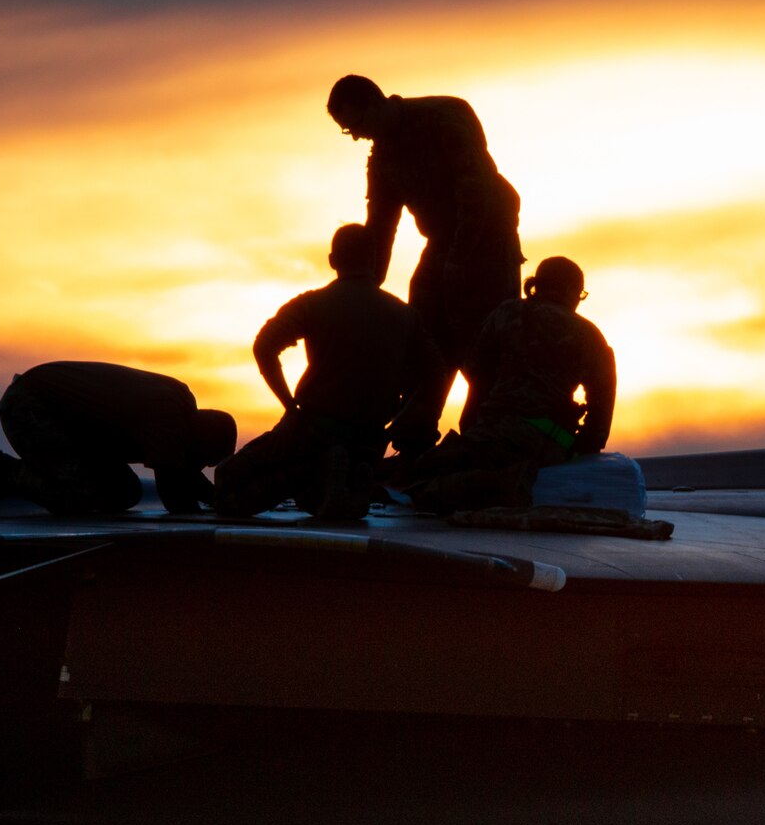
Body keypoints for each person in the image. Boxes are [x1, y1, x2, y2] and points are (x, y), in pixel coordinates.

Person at [213, 223, 449, 519]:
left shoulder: (314, 304)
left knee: (226, 482)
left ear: (333, 260)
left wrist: (290, 408)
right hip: (369, 440)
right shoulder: (405, 315)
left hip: (311, 431)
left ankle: (320, 476)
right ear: (374, 260)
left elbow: (264, 346)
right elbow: (436, 373)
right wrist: (397, 424)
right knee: (315, 486)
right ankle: (340, 481)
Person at [325, 74, 524, 385]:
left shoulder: (445, 116)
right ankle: (418, 419)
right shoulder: (382, 160)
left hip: (490, 238)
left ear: (375, 102)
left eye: (355, 125)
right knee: (421, 333)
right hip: (442, 242)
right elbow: (380, 228)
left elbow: (476, 193)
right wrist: (364, 289)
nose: (355, 137)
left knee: (485, 346)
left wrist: (457, 263)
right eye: (347, 131)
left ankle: (487, 421)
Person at [405, 255, 616, 514]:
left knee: (422, 473)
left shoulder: (507, 313)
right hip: (546, 443)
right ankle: (503, 484)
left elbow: (475, 368)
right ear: (572, 291)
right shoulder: (590, 336)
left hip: (493, 433)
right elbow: (600, 414)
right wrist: (579, 452)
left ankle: (496, 485)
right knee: (438, 480)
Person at [0, 362, 236, 518]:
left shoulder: (178, 407)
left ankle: (0, 480)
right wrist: (217, 509)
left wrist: (217, 497)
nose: (199, 466)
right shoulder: (167, 414)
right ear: (201, 440)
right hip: (31, 406)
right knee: (78, 496)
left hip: (72, 429)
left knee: (123, 493)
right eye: (205, 459)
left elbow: (182, 474)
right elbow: (174, 493)